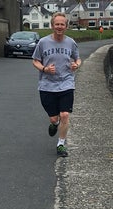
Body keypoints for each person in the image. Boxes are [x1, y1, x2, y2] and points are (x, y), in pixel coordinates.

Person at [32, 12, 81, 157]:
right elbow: (35, 60)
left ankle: (61, 144)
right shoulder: (43, 43)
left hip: (66, 83)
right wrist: (45, 69)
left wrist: (76, 65)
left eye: (62, 24)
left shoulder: (71, 42)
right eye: (57, 24)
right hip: (47, 85)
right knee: (54, 118)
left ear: (66, 26)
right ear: (52, 26)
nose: (59, 27)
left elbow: (78, 59)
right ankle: (54, 124)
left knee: (65, 115)